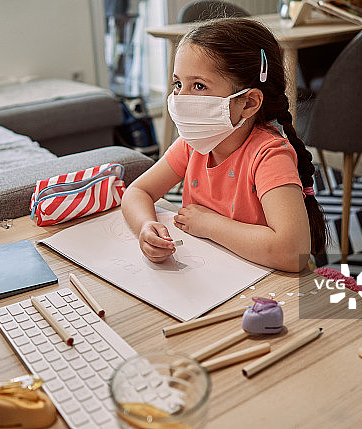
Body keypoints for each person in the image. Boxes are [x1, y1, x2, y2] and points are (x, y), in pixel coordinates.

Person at [121, 17, 326, 272]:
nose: (180, 98)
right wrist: (145, 226)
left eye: (198, 86)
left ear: (248, 103)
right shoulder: (191, 145)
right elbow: (137, 192)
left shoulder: (269, 156)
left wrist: (209, 225)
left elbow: (292, 253)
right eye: (177, 84)